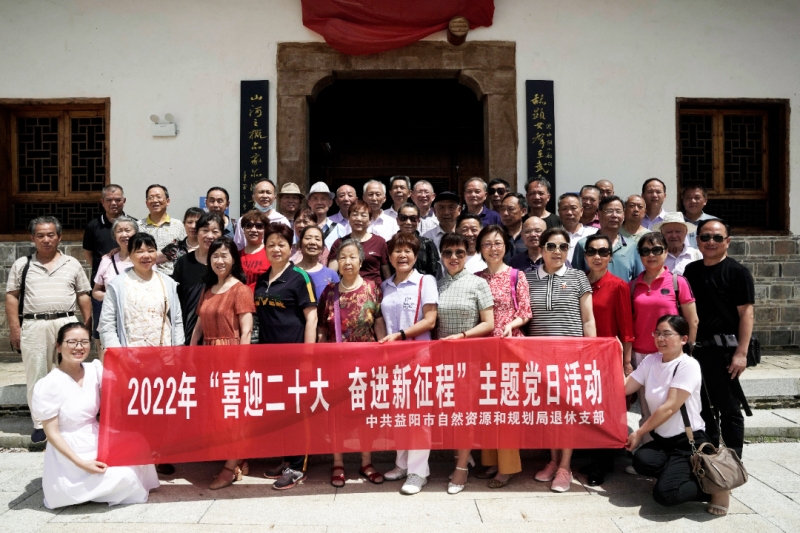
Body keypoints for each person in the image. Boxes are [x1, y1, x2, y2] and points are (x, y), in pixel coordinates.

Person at [31, 322, 159, 509]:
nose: (79, 347)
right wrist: (82, 464)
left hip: (95, 436)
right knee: (127, 477)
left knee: (138, 443)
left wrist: (114, 362)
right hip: (71, 451)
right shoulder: (49, 384)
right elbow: (53, 434)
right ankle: (79, 488)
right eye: (72, 342)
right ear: (58, 346)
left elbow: (121, 388)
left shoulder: (93, 369)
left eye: (84, 342)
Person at [625, 315, 728, 516]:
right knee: (641, 461)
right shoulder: (650, 361)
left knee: (665, 495)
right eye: (657, 333)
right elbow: (625, 387)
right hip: (663, 441)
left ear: (683, 339)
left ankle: (716, 486)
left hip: (688, 442)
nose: (660, 338)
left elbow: (670, 407)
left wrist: (639, 432)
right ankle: (675, 474)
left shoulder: (688, 365)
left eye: (667, 334)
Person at [6, 216, 92, 443]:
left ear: (59, 237)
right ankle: (40, 424)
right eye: (41, 235)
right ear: (33, 238)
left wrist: (87, 327)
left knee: (71, 373)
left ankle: (69, 419)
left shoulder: (72, 263)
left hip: (66, 323)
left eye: (51, 235)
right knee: (37, 374)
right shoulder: (22, 264)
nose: (46, 239)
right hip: (35, 325)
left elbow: (83, 295)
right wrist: (15, 328)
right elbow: (12, 297)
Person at [526, 227, 596, 492]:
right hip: (538, 358)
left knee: (567, 413)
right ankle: (553, 461)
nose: (557, 251)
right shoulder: (527, 278)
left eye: (563, 247)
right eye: (552, 246)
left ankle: (565, 467)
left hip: (571, 358)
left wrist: (591, 353)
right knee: (548, 412)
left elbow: (588, 319)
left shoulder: (578, 277)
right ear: (541, 249)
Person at [683, 219, 754, 461]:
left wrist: (741, 353)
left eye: (717, 237)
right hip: (697, 351)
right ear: (697, 240)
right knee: (702, 408)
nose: (710, 242)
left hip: (725, 352)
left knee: (729, 409)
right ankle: (709, 459)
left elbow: (746, 314)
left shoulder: (738, 272)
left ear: (727, 241)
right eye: (705, 237)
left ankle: (733, 462)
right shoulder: (691, 271)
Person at [317, 238, 385, 489]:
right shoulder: (330, 292)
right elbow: (322, 329)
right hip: (336, 366)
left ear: (361, 260)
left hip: (366, 366)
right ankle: (338, 463)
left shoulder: (373, 289)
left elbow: (379, 324)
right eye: (343, 257)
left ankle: (366, 462)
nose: (347, 261)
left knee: (366, 415)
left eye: (352, 256)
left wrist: (383, 357)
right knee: (338, 417)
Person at [255, 223, 318, 490]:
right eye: (271, 244)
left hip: (295, 358)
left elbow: (312, 318)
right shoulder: (261, 280)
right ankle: (285, 460)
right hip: (269, 360)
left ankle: (297, 467)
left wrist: (307, 358)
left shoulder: (299, 277)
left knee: (297, 412)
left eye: (281, 244)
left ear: (290, 248)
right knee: (280, 412)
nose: (276, 249)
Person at [190, 237, 255, 490]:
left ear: (233, 260)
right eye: (215, 256)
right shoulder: (208, 289)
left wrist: (241, 365)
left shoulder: (240, 289)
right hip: (209, 358)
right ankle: (240, 457)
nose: (219, 260)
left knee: (232, 414)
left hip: (230, 356)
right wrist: (192, 354)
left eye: (224, 255)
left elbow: (246, 331)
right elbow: (198, 327)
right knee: (218, 414)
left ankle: (229, 469)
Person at [377, 233, 439, 494]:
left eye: (408, 251)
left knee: (419, 415)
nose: (402, 255)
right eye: (397, 251)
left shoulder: (426, 281)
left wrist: (400, 336)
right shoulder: (385, 285)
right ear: (389, 257)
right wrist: (383, 343)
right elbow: (380, 320)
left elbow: (430, 320)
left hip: (418, 358)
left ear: (415, 255)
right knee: (399, 413)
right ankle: (401, 464)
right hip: (391, 360)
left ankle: (418, 472)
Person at [436, 232, 495, 495]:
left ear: (467, 255)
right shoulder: (437, 284)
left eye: (459, 252)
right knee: (449, 414)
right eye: (448, 252)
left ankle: (461, 469)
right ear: (441, 255)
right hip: (441, 360)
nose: (453, 257)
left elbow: (488, 323)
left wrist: (462, 336)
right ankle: (461, 456)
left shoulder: (478, 283)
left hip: (469, 358)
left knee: (464, 415)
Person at [475, 225, 532, 488]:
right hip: (483, 350)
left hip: (510, 348)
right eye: (487, 244)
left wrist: (511, 324)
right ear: (480, 249)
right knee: (487, 407)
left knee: (506, 409)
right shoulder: (476, 278)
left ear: (505, 246)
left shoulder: (516, 276)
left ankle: (507, 467)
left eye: (497, 243)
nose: (493, 248)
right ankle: (491, 461)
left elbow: (525, 312)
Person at [630, 232, 699, 444]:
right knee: (646, 407)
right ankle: (648, 451)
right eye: (645, 251)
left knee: (672, 405)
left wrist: (687, 350)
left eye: (657, 250)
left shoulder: (678, 282)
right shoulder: (633, 285)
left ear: (666, 252)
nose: (651, 255)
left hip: (671, 355)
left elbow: (692, 319)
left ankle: (676, 449)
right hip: (642, 354)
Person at [581, 233, 634, 486]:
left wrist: (626, 363)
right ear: (585, 255)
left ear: (610, 257)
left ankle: (602, 463)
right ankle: (591, 457)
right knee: (586, 409)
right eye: (592, 251)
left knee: (605, 411)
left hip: (608, 358)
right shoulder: (580, 282)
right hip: (581, 358)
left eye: (603, 252)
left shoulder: (618, 285)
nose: (597, 256)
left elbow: (626, 329)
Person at [98, 232, 184, 348]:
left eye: (150, 251)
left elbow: (177, 320)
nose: (146, 255)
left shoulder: (168, 283)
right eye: (139, 251)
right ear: (130, 254)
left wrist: (178, 348)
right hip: (129, 353)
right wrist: (117, 352)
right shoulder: (117, 285)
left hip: (165, 352)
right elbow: (107, 323)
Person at [83, 184, 130, 347]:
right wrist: (105, 269)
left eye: (118, 199)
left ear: (124, 201)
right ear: (102, 202)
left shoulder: (133, 223)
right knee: (102, 333)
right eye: (109, 200)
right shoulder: (93, 225)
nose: (113, 203)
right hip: (102, 288)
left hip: (129, 288)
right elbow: (88, 253)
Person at [171, 213, 223, 344]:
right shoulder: (184, 262)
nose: (210, 236)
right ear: (197, 232)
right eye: (205, 230)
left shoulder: (225, 265)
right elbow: (175, 299)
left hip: (219, 334)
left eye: (215, 231)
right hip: (188, 331)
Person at [573, 196, 644, 282]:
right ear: (599, 215)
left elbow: (638, 279)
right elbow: (575, 280)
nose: (614, 215)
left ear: (623, 215)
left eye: (618, 211)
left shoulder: (632, 246)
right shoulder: (583, 244)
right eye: (609, 211)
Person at [329, 200, 390, 286]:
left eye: (363, 215)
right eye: (355, 214)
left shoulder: (379, 242)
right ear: (349, 218)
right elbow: (331, 273)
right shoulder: (339, 243)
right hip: (347, 289)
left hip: (373, 290)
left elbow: (386, 273)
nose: (358, 218)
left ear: (370, 220)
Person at [138, 184, 186, 275]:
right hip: (146, 275)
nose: (155, 200)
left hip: (173, 275)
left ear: (168, 201)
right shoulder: (138, 226)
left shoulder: (178, 225)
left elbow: (184, 250)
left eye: (158, 197)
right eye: (151, 197)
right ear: (146, 203)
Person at [91, 216, 138, 308]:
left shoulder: (145, 259)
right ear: (114, 236)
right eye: (119, 231)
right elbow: (96, 292)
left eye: (127, 230)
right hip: (112, 311)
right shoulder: (107, 260)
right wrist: (112, 297)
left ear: (136, 233)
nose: (124, 234)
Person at [233, 178, 290, 249]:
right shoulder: (244, 221)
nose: (265, 196)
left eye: (268, 192)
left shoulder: (282, 221)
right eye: (261, 192)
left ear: (274, 197)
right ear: (253, 197)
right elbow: (238, 247)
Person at [295, 225, 339, 300]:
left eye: (317, 239)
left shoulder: (332, 275)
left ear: (322, 247)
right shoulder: (290, 272)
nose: (313, 242)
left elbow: (337, 303)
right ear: (300, 244)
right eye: (308, 238)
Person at [557, 193, 597, 262]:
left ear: (581, 211)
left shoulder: (594, 234)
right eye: (564, 209)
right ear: (559, 212)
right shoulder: (552, 236)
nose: (569, 213)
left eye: (573, 208)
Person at [307, 181, 347, 250]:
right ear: (309, 203)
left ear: (330, 203)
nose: (319, 202)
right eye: (315, 198)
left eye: (323, 198)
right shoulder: (303, 227)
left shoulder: (339, 229)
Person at [238, 210, 271, 291]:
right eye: (249, 226)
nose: (253, 230)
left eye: (259, 226)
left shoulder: (270, 253)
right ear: (243, 230)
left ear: (265, 230)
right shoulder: (236, 255)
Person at [681, 183, 716, 248]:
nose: (693, 201)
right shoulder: (675, 222)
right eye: (688, 198)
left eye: (697, 198)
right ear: (683, 201)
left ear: (705, 201)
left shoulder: (714, 223)